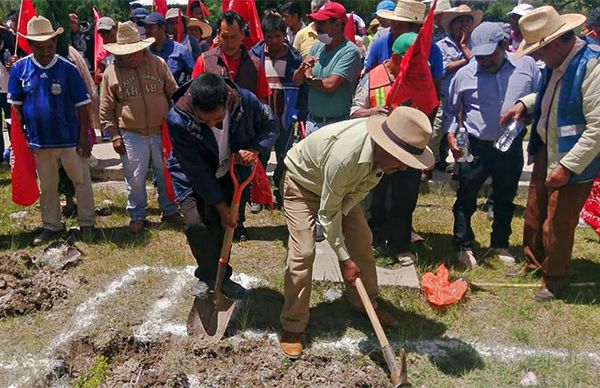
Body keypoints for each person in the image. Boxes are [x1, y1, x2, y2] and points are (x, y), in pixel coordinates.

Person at [279, 106, 434, 359]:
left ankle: (365, 304)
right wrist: (344, 259)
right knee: (303, 253)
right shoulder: (346, 155)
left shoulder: (383, 162)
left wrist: (349, 246)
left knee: (362, 239)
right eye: (401, 160)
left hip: (342, 191)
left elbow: (349, 201)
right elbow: (327, 216)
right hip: (302, 185)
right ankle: (292, 326)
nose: (404, 168)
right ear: (385, 146)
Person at [501, 6, 600, 301]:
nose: (534, 56)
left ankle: (555, 278)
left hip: (574, 159)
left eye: (538, 50)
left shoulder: (592, 67)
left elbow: (597, 128)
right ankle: (533, 262)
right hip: (548, 148)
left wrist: (568, 167)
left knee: (558, 221)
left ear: (555, 43)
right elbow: (551, 95)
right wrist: (524, 104)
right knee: (535, 211)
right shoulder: (557, 62)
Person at [166, 73, 278, 299]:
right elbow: (197, 172)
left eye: (216, 120)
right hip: (191, 174)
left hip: (230, 171)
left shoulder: (245, 102)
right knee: (196, 224)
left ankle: (221, 278)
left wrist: (255, 148)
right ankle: (207, 276)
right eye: (203, 120)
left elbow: (270, 125)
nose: (210, 125)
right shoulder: (178, 119)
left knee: (221, 227)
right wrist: (221, 206)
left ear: (226, 100)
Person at [446, 22, 541, 268]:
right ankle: (463, 244)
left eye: (489, 55)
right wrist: (450, 134)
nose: (483, 61)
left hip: (510, 144)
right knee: (466, 193)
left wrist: (526, 112)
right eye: (479, 56)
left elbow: (540, 98)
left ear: (504, 45)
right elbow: (450, 110)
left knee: (504, 195)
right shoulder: (465, 74)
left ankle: (500, 243)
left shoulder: (526, 67)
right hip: (476, 145)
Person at [7, 16, 95, 245]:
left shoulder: (68, 69)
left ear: (56, 42)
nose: (46, 50)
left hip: (69, 140)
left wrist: (84, 137)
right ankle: (52, 226)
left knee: (82, 182)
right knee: (48, 187)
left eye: (50, 45)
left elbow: (82, 106)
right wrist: (24, 138)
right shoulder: (19, 70)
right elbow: (16, 107)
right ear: (31, 45)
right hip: (39, 142)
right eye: (40, 47)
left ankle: (87, 224)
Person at [191, 10, 272, 241]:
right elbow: (193, 97)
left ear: (242, 35)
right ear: (218, 34)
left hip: (242, 135)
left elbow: (262, 101)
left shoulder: (255, 65)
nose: (229, 42)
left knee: (240, 181)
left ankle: (239, 221)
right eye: (224, 37)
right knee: (212, 178)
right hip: (211, 133)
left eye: (234, 37)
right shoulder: (205, 61)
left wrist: (256, 138)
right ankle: (212, 219)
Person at [100, 21, 181, 233]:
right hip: (130, 133)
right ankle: (137, 215)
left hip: (161, 130)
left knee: (166, 172)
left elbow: (174, 94)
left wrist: (179, 122)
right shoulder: (111, 72)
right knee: (134, 177)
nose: (132, 57)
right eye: (127, 53)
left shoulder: (158, 64)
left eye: (135, 51)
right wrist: (115, 136)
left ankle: (170, 209)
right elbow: (106, 108)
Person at [350, 32, 423, 266]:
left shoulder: (419, 78)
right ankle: (373, 241)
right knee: (375, 198)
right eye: (410, 61)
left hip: (407, 149)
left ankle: (401, 245)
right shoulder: (372, 77)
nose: (414, 66)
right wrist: (373, 112)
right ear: (395, 56)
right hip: (378, 151)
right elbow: (354, 111)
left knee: (405, 198)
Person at [251, 12, 303, 208]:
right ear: (263, 36)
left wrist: (298, 111)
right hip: (262, 116)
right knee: (261, 157)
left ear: (284, 36)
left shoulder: (294, 58)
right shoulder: (255, 56)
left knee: (285, 157)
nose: (274, 41)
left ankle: (281, 192)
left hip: (285, 116)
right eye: (270, 36)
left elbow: (300, 86)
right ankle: (258, 197)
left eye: (278, 36)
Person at [293, 2, 363, 132]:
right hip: (312, 122)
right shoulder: (317, 47)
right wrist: (303, 69)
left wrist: (308, 78)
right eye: (315, 22)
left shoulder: (350, 52)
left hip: (335, 125)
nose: (316, 27)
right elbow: (297, 80)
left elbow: (331, 85)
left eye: (321, 23)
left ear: (337, 24)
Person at [436, 5, 482, 171]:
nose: (464, 25)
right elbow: (442, 68)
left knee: (463, 131)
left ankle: (459, 166)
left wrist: (465, 49)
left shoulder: (477, 44)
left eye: (468, 21)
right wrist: (465, 60)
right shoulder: (442, 45)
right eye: (460, 21)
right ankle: (431, 164)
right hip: (445, 95)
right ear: (452, 24)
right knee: (438, 133)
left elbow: (479, 66)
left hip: (469, 98)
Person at [143, 12, 194, 86]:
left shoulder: (181, 51)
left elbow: (194, 75)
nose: (146, 31)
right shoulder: (144, 52)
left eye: (150, 27)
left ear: (162, 28)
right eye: (145, 27)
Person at [95, 17, 117, 85]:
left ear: (115, 28)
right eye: (103, 33)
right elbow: (98, 75)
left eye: (107, 31)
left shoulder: (127, 44)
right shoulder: (103, 53)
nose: (106, 35)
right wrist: (111, 76)